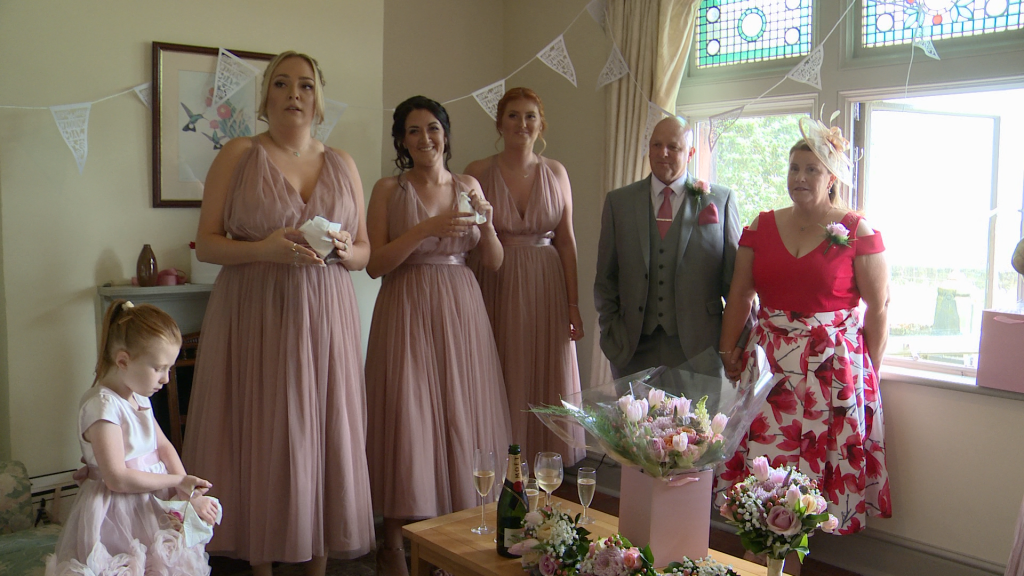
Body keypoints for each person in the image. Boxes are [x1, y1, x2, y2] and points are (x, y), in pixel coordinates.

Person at [182, 51, 374, 575]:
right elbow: (208, 244)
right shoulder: (240, 154)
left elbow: (365, 252)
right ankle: (260, 561)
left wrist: (340, 250)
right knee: (262, 427)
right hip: (256, 310)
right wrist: (263, 249)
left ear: (318, 98)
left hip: (326, 313)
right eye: (283, 84)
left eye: (305, 85)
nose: (295, 94)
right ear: (266, 97)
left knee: (325, 430)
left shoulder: (344, 163)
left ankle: (319, 560)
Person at [716, 116, 892, 537]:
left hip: (831, 373)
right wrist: (729, 352)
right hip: (769, 368)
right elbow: (740, 295)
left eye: (811, 169)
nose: (799, 177)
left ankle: (784, 556)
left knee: (814, 476)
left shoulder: (856, 231)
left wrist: (869, 370)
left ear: (830, 177)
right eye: (794, 168)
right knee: (763, 467)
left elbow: (879, 307)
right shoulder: (760, 226)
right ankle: (763, 549)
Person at [364, 96, 513, 576]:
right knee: (406, 414)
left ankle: (450, 538)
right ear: (401, 141)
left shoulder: (468, 184)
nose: (425, 139)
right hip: (405, 302)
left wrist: (488, 222)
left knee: (458, 412)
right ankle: (392, 542)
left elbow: (492, 261)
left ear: (446, 133)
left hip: (460, 303)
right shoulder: (389, 188)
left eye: (432, 128)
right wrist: (426, 228)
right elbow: (375, 264)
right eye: (413, 131)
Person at [46, 300, 219, 575]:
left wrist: (188, 494)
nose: (165, 379)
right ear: (123, 360)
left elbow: (163, 447)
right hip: (117, 513)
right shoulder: (103, 406)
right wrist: (178, 481)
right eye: (159, 368)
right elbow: (117, 478)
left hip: (151, 503)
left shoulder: (138, 396)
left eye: (170, 369)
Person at [464, 87, 584, 464]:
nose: (522, 123)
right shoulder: (478, 171)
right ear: (500, 123)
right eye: (513, 115)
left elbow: (566, 240)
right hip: (494, 280)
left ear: (541, 124)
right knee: (501, 366)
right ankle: (503, 459)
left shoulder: (556, 172)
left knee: (546, 369)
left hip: (546, 283)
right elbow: (467, 240)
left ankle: (545, 461)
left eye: (530, 115)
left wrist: (573, 304)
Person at [594, 116, 745, 378]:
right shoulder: (619, 203)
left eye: (673, 147)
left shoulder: (720, 200)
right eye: (656, 145)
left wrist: (735, 344)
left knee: (697, 421)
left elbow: (737, 285)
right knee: (631, 420)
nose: (662, 153)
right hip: (631, 350)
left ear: (690, 153)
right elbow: (606, 278)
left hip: (700, 351)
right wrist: (610, 331)